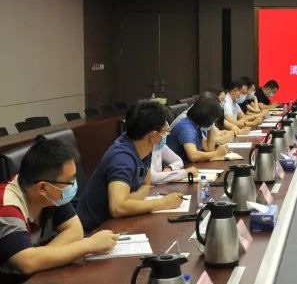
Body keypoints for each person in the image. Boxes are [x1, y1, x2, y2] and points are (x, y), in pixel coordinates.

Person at [0, 136, 118, 281]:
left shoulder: (51, 194)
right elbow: (27, 263)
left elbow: (75, 230)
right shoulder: (6, 207)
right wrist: (88, 245)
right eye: (69, 181)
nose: (73, 184)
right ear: (43, 188)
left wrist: (41, 258)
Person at [77, 102, 184, 231]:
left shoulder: (144, 148)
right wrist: (163, 203)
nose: (166, 135)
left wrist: (130, 200)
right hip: (94, 230)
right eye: (165, 131)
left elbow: (146, 185)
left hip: (119, 221)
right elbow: (117, 208)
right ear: (154, 135)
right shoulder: (122, 159)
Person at [167, 94, 229, 163]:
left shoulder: (196, 125)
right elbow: (193, 156)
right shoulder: (186, 127)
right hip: (177, 166)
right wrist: (217, 153)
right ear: (207, 117)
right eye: (213, 119)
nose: (214, 122)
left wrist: (211, 127)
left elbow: (208, 148)